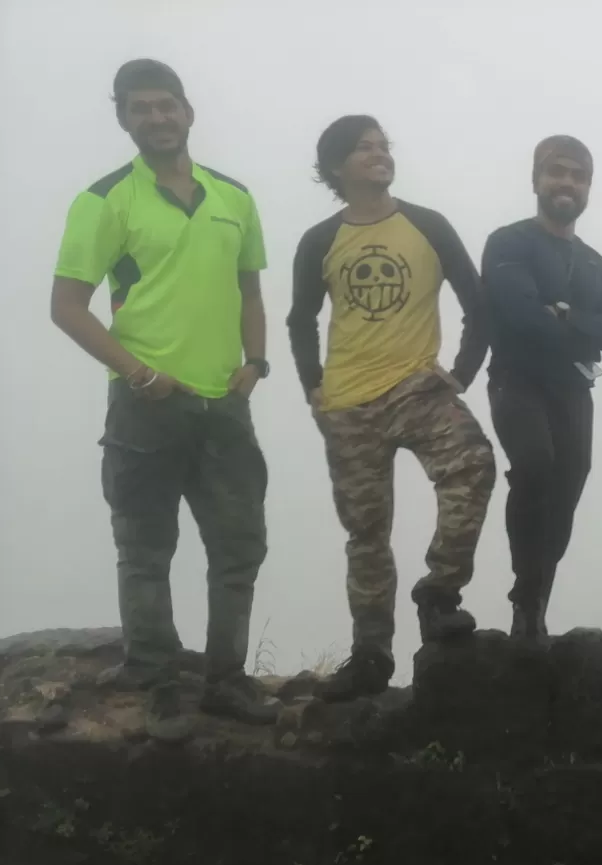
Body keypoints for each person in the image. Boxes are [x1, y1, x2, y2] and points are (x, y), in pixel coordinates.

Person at [49, 59, 276, 740]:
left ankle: (226, 681)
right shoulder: (106, 200)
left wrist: (256, 364)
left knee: (239, 545)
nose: (156, 118)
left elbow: (251, 290)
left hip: (224, 406)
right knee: (146, 546)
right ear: (123, 118)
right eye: (140, 108)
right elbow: (66, 307)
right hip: (145, 405)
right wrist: (141, 374)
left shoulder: (233, 196)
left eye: (166, 105)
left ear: (188, 112)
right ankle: (152, 679)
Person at [286, 115, 497, 700]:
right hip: (348, 403)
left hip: (417, 387)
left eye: (383, 146)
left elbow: (476, 302)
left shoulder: (426, 225)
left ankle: (439, 592)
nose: (379, 155)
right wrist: (314, 388)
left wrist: (460, 372)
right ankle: (370, 655)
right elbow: (300, 319)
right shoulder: (320, 240)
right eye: (363, 148)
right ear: (336, 167)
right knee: (366, 533)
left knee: (473, 466)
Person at [478, 136, 602, 642]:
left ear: (589, 188)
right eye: (557, 172)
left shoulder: (595, 265)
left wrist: (566, 314)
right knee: (535, 467)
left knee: (568, 485)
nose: (567, 183)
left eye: (579, 176)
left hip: (572, 389)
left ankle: (536, 601)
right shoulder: (509, 243)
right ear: (536, 180)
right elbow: (520, 316)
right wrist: (582, 326)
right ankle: (526, 597)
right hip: (516, 379)